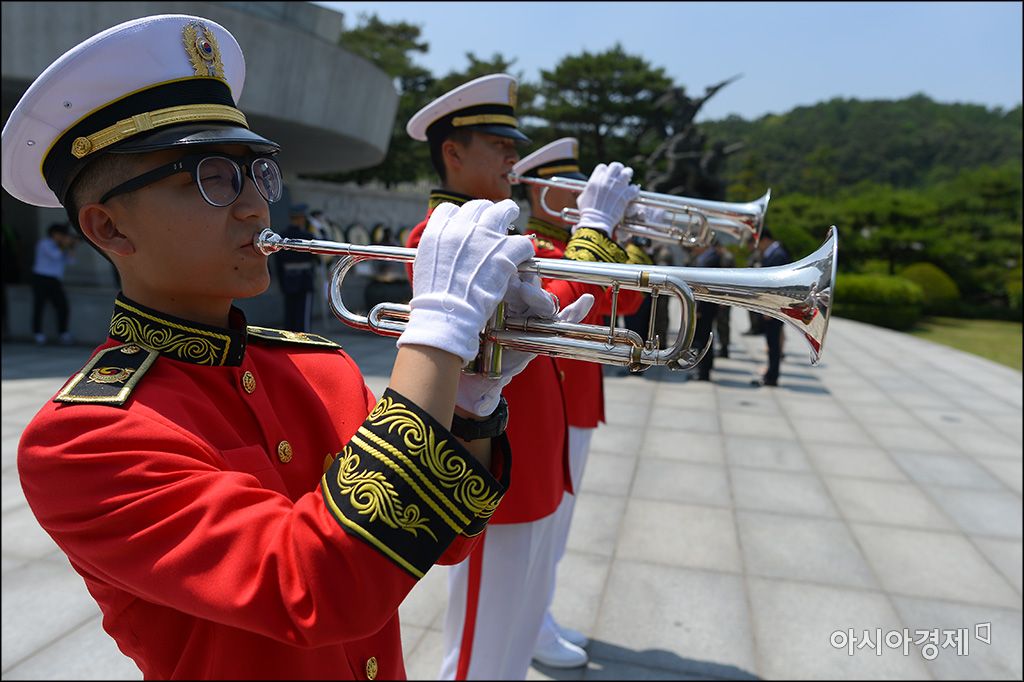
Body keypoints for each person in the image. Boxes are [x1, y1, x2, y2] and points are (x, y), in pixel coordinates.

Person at [3, 14, 560, 679]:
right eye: (210, 177)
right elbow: (319, 590)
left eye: (255, 174)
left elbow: (445, 542)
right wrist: (435, 330)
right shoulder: (84, 438)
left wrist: (471, 396)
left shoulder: (316, 366)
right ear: (109, 227)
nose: (255, 209)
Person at [404, 76, 636, 680]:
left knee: (512, 638)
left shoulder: (512, 234)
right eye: (498, 143)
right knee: (481, 650)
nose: (514, 157)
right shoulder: (437, 237)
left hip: (536, 454)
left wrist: (606, 235)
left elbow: (610, 300)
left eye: (514, 144)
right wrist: (595, 230)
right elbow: (555, 304)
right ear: (453, 152)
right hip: (495, 459)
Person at [512, 137, 649, 669]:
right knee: (539, 528)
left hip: (578, 397)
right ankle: (532, 620)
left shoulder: (580, 242)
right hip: (546, 399)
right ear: (537, 189)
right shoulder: (530, 243)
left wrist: (624, 234)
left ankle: (538, 613)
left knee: (558, 527)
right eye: (564, 186)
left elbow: (630, 301)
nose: (576, 197)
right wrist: (596, 235)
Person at [751, 227, 792, 387]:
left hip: (775, 307)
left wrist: (771, 308)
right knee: (771, 342)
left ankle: (772, 377)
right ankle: (770, 373)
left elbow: (776, 284)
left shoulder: (777, 254)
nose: (758, 247)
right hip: (773, 306)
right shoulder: (775, 253)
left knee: (773, 344)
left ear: (765, 239)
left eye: (758, 243)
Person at [30, 221, 77, 345]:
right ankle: (37, 333)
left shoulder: (61, 246)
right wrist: (65, 245)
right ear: (54, 234)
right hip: (41, 278)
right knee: (39, 306)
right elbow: (55, 256)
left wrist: (71, 246)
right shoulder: (44, 243)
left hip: (55, 280)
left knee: (63, 306)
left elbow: (71, 261)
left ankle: (63, 333)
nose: (63, 237)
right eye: (61, 234)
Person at [274, 205, 316, 332]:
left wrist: (282, 283)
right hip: (304, 280)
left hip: (288, 280)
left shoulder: (282, 236)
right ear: (302, 218)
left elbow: (278, 264)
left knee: (290, 316)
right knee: (303, 319)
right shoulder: (307, 237)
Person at [690, 239, 722, 381]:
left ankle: (704, 372)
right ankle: (702, 369)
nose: (693, 249)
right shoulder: (707, 257)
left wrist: (699, 309)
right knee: (701, 338)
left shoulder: (711, 258)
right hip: (704, 307)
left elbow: (705, 288)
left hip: (706, 308)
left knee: (704, 338)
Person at [715, 241, 736, 357]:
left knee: (723, 323)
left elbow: (726, 280)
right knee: (723, 323)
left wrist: (723, 297)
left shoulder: (726, 258)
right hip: (726, 296)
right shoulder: (726, 256)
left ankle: (724, 348)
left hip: (725, 296)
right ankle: (724, 347)